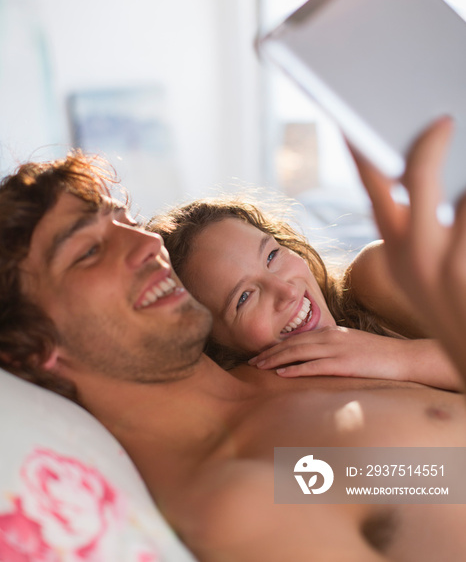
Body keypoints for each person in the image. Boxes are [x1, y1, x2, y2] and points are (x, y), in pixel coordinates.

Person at [2, 129, 466, 561]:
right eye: (88, 251)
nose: (146, 243)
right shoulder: (241, 500)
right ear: (29, 348)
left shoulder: (303, 352)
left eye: (124, 219)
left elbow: (434, 479)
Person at [150, 195, 461, 391]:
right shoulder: (272, 409)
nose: (285, 290)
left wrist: (399, 358)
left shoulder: (379, 279)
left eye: (272, 256)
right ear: (216, 348)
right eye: (244, 297)